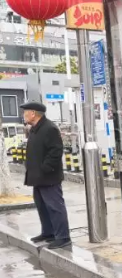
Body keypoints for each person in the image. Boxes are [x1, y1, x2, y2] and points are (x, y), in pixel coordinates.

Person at [22, 102, 71, 250]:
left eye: (25, 112)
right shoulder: (35, 129)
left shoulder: (49, 128)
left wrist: (45, 168)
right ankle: (49, 233)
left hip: (48, 177)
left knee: (55, 207)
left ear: (33, 113)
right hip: (37, 177)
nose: (23, 115)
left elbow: (56, 151)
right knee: (42, 206)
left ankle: (63, 237)